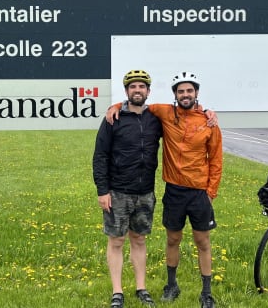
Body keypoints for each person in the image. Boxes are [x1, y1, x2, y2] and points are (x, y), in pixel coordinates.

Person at [107, 71, 223, 308]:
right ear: (175, 94)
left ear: (197, 93)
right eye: (181, 91)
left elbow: (216, 160)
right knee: (173, 239)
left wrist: (210, 192)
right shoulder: (164, 112)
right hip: (174, 190)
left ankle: (206, 292)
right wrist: (115, 105)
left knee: (203, 241)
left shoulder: (208, 121)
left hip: (199, 192)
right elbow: (137, 102)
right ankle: (171, 285)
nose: (185, 95)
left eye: (189, 90)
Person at [93, 70, 162, 308]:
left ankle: (141, 288)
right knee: (116, 241)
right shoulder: (114, 118)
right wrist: (103, 191)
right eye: (133, 87)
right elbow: (100, 156)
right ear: (126, 92)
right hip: (118, 192)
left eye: (142, 87)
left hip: (145, 192)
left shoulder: (155, 119)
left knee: (139, 240)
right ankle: (117, 291)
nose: (137, 90)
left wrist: (208, 111)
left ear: (148, 91)